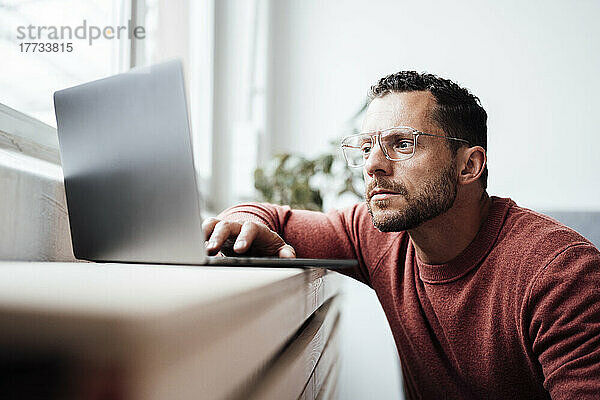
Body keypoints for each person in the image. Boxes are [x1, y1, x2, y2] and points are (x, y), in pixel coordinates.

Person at [203, 71, 600, 399]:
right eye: (365, 149)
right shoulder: (374, 234)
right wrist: (239, 219)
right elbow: (270, 218)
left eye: (402, 144)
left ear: (468, 166)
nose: (373, 165)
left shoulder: (562, 274)